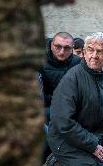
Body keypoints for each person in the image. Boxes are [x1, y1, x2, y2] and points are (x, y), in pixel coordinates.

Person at [47, 32, 103, 166]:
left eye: (100, 51)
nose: (94, 56)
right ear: (84, 53)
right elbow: (62, 121)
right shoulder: (71, 79)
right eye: (90, 50)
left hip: (96, 141)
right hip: (66, 142)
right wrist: (92, 145)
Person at [38, 32, 81, 164]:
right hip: (48, 110)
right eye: (58, 47)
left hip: (71, 110)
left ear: (72, 48)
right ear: (51, 45)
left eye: (67, 48)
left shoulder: (78, 63)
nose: (62, 51)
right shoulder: (40, 62)